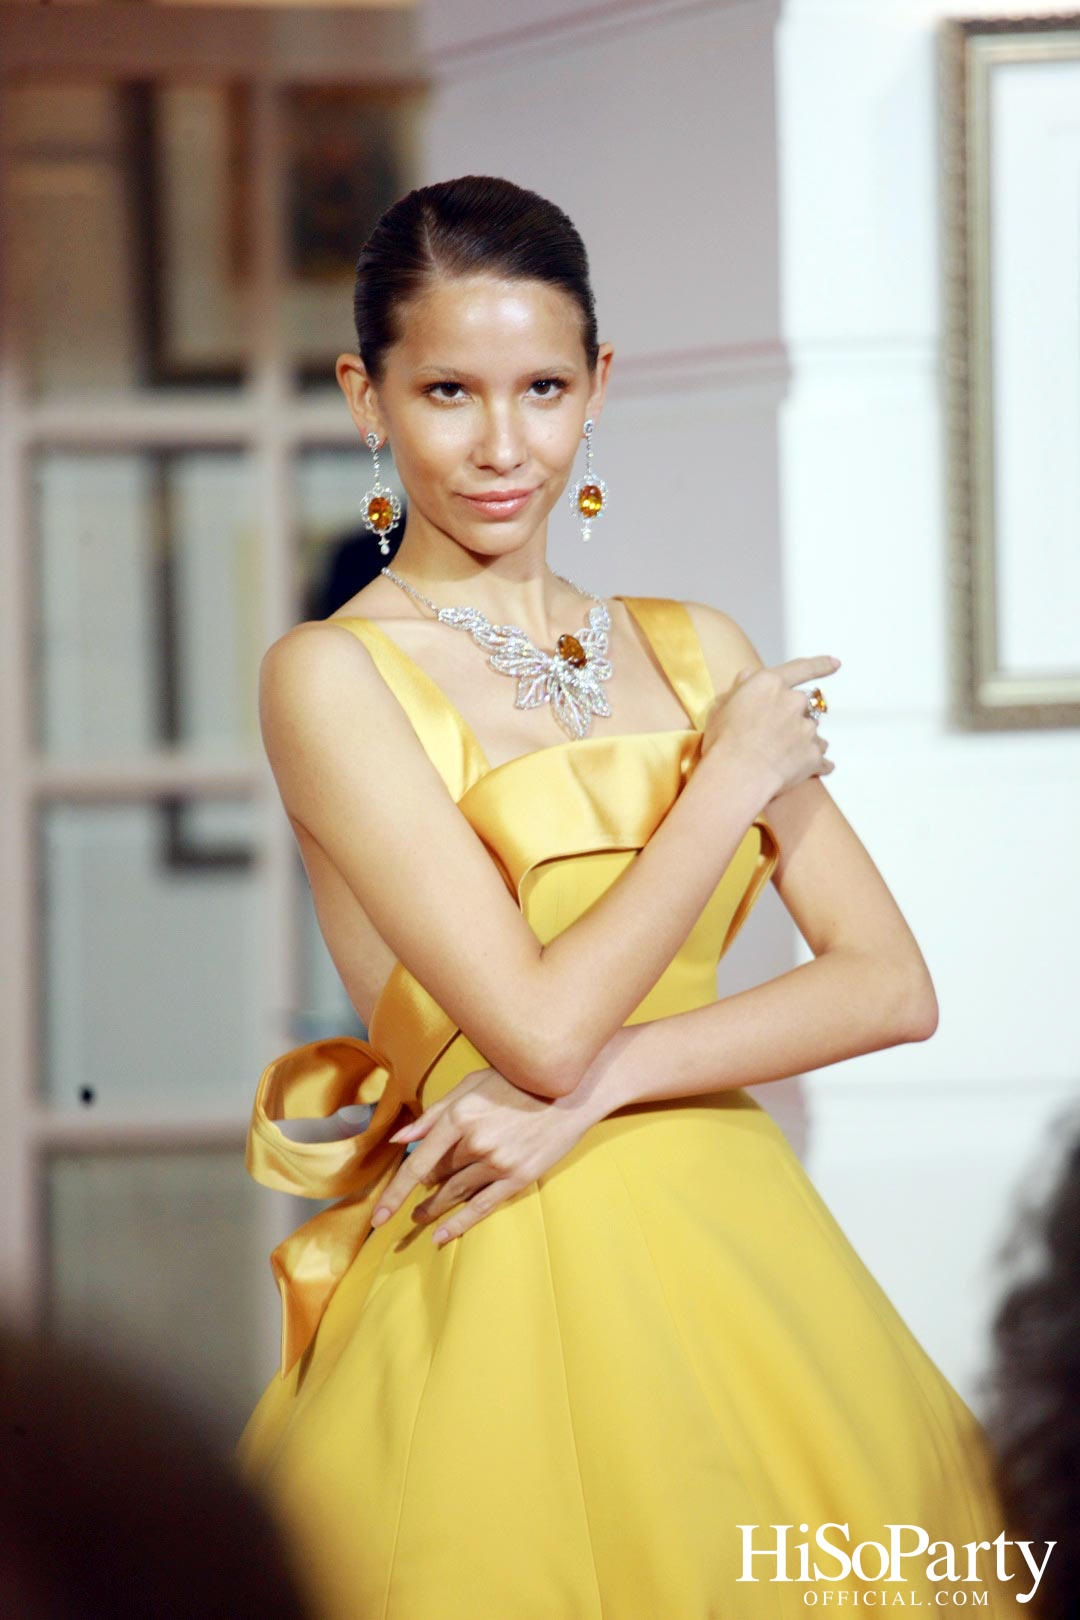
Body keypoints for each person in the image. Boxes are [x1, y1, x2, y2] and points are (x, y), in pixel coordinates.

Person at [234, 175, 1045, 1618]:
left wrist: (597, 1093)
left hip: (739, 1252)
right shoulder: (330, 676)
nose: (502, 445)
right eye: (447, 392)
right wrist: (723, 786)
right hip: (498, 1267)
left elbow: (888, 983)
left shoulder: (693, 645)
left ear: (600, 386)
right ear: (367, 396)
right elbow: (533, 1030)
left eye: (543, 387)